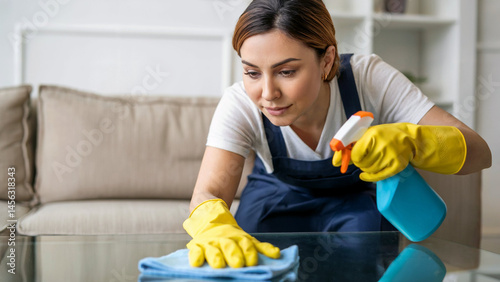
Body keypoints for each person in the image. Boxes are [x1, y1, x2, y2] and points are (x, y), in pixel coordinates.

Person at [182, 0, 492, 269]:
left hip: (354, 203)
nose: (267, 93)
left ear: (326, 60)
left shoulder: (367, 78)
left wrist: (412, 142)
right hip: (275, 197)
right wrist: (213, 227)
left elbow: (479, 152)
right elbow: (208, 191)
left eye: (287, 72)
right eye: (252, 72)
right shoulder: (240, 103)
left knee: (362, 253)